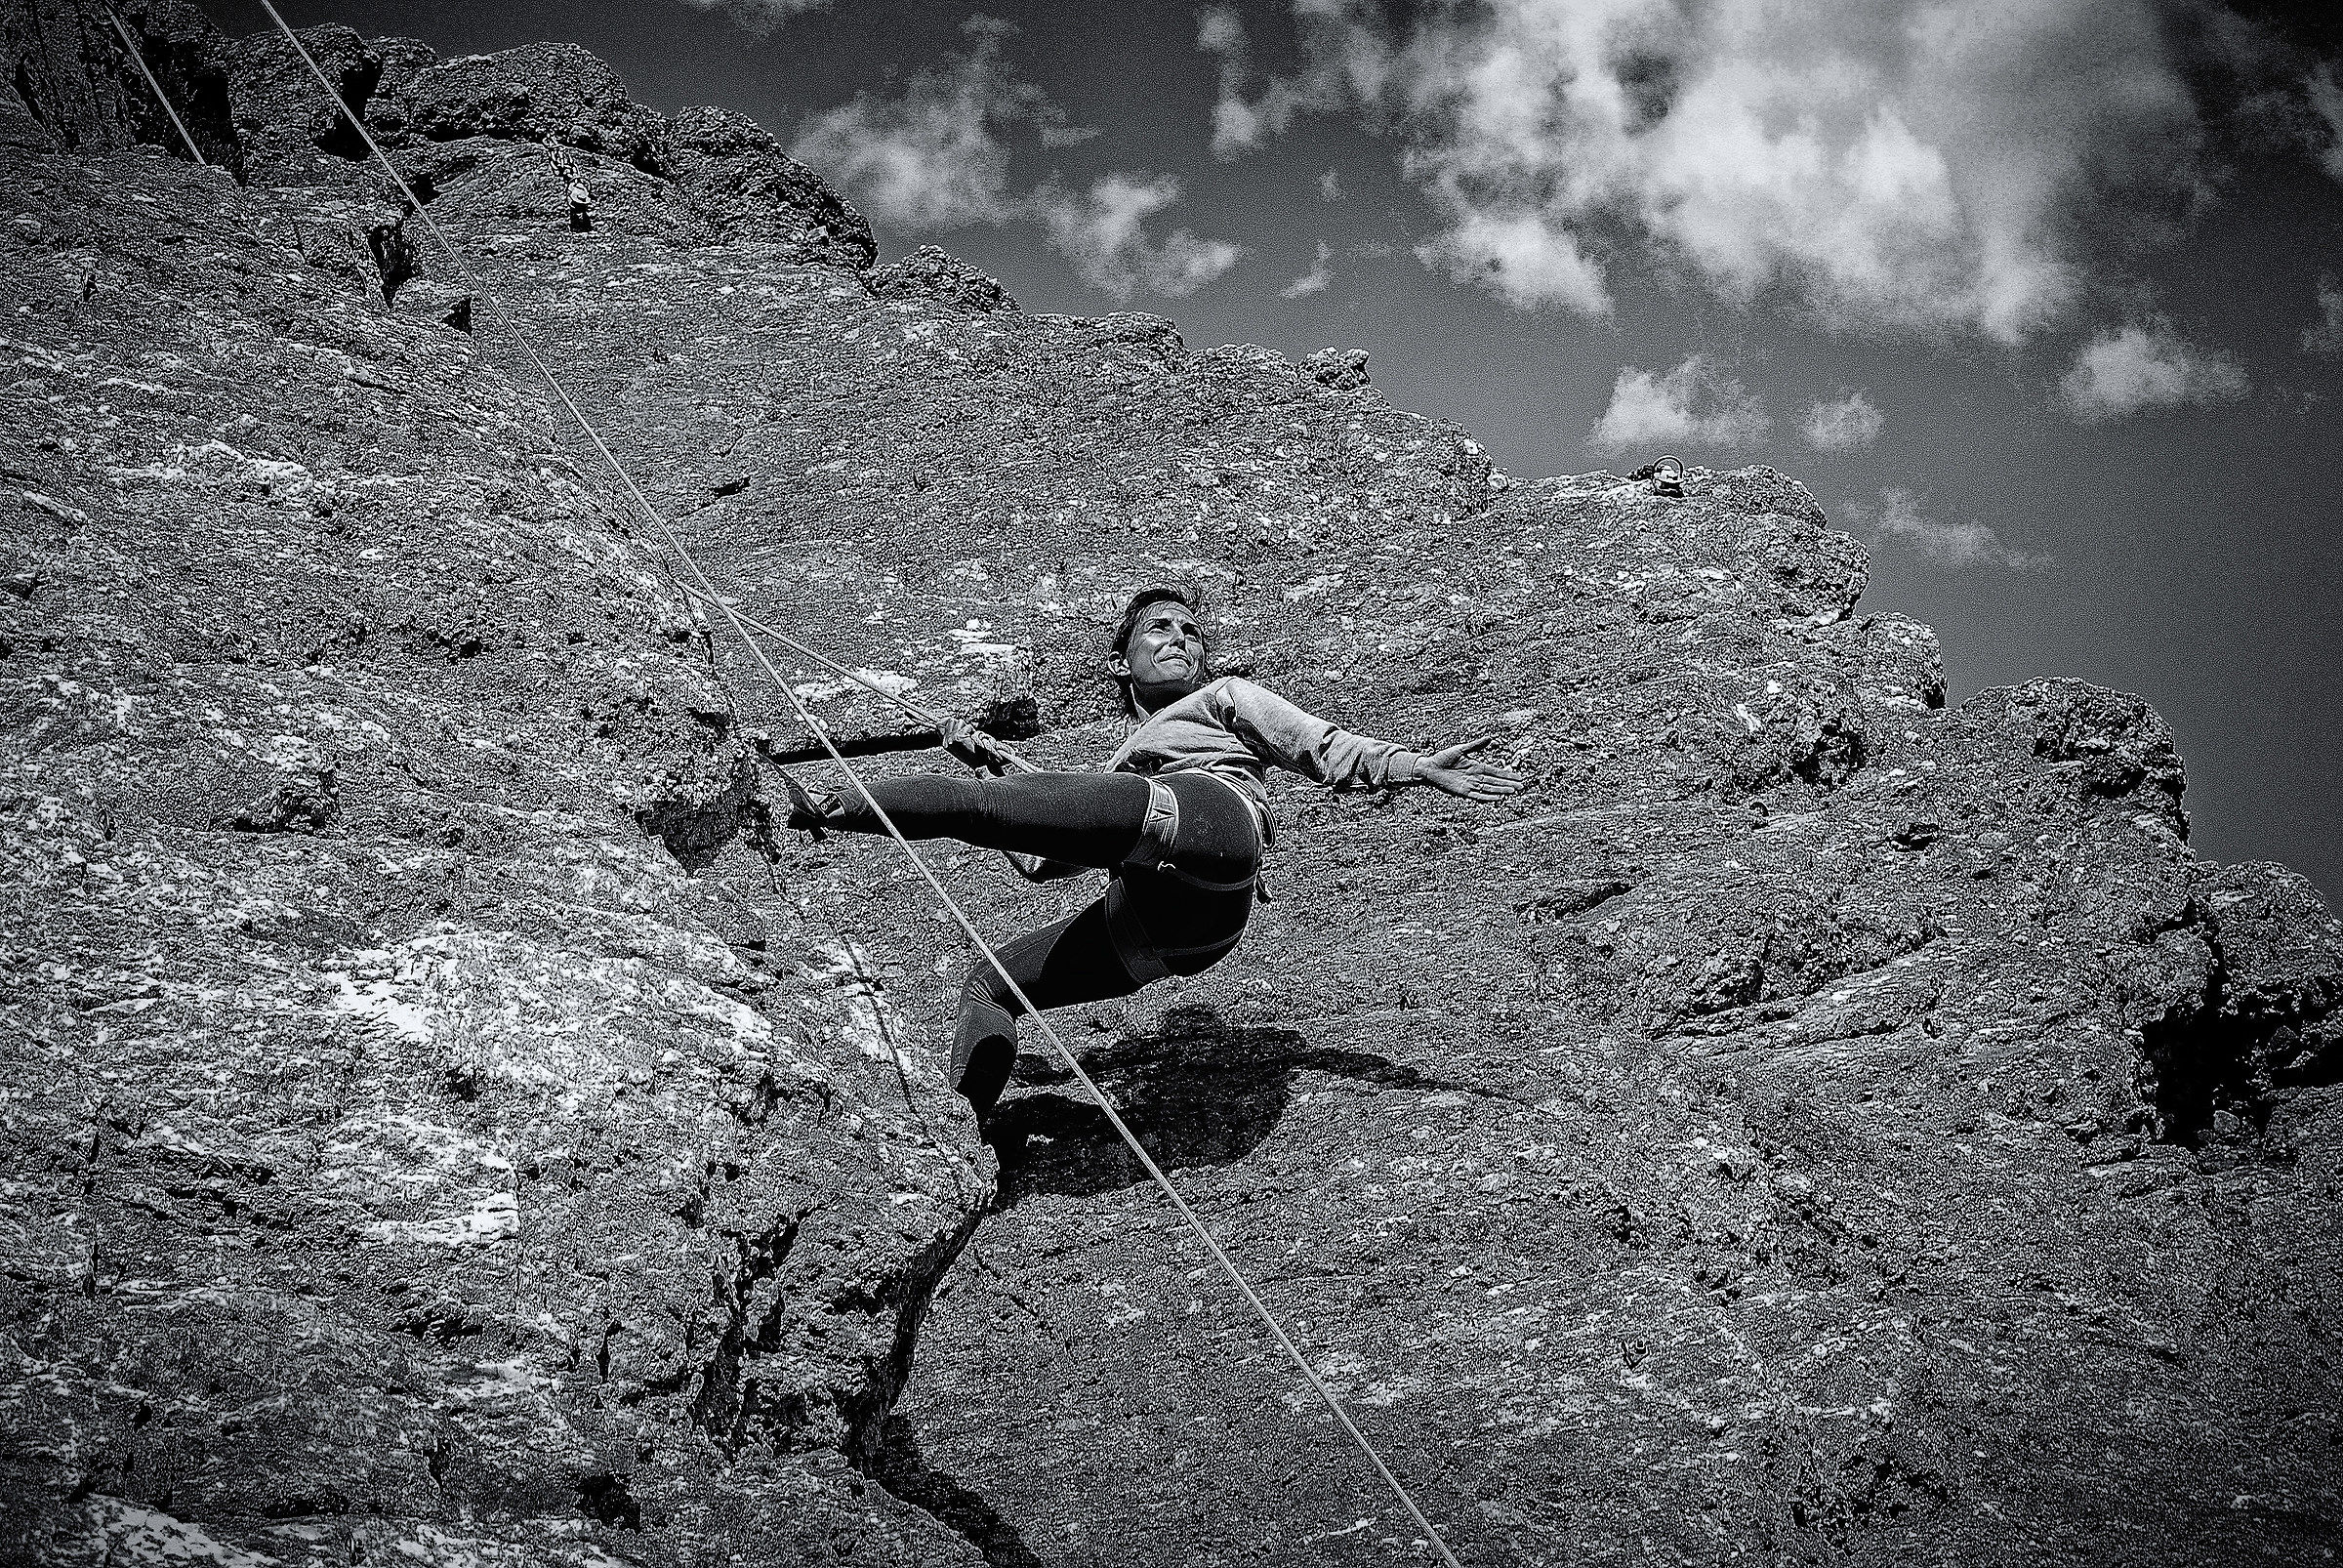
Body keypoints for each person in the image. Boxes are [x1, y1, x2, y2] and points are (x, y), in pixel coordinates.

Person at [782, 587, 1530, 1116]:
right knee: (989, 986)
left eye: (1190, 632)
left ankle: (819, 806)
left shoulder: (1220, 699)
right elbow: (1042, 862)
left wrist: (1411, 765)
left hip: (1209, 823)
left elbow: (1316, 744)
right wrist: (990, 766)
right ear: (1121, 663)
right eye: (1159, 630)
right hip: (1179, 930)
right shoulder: (1118, 773)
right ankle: (962, 1129)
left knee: (986, 811)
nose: (1180, 639)